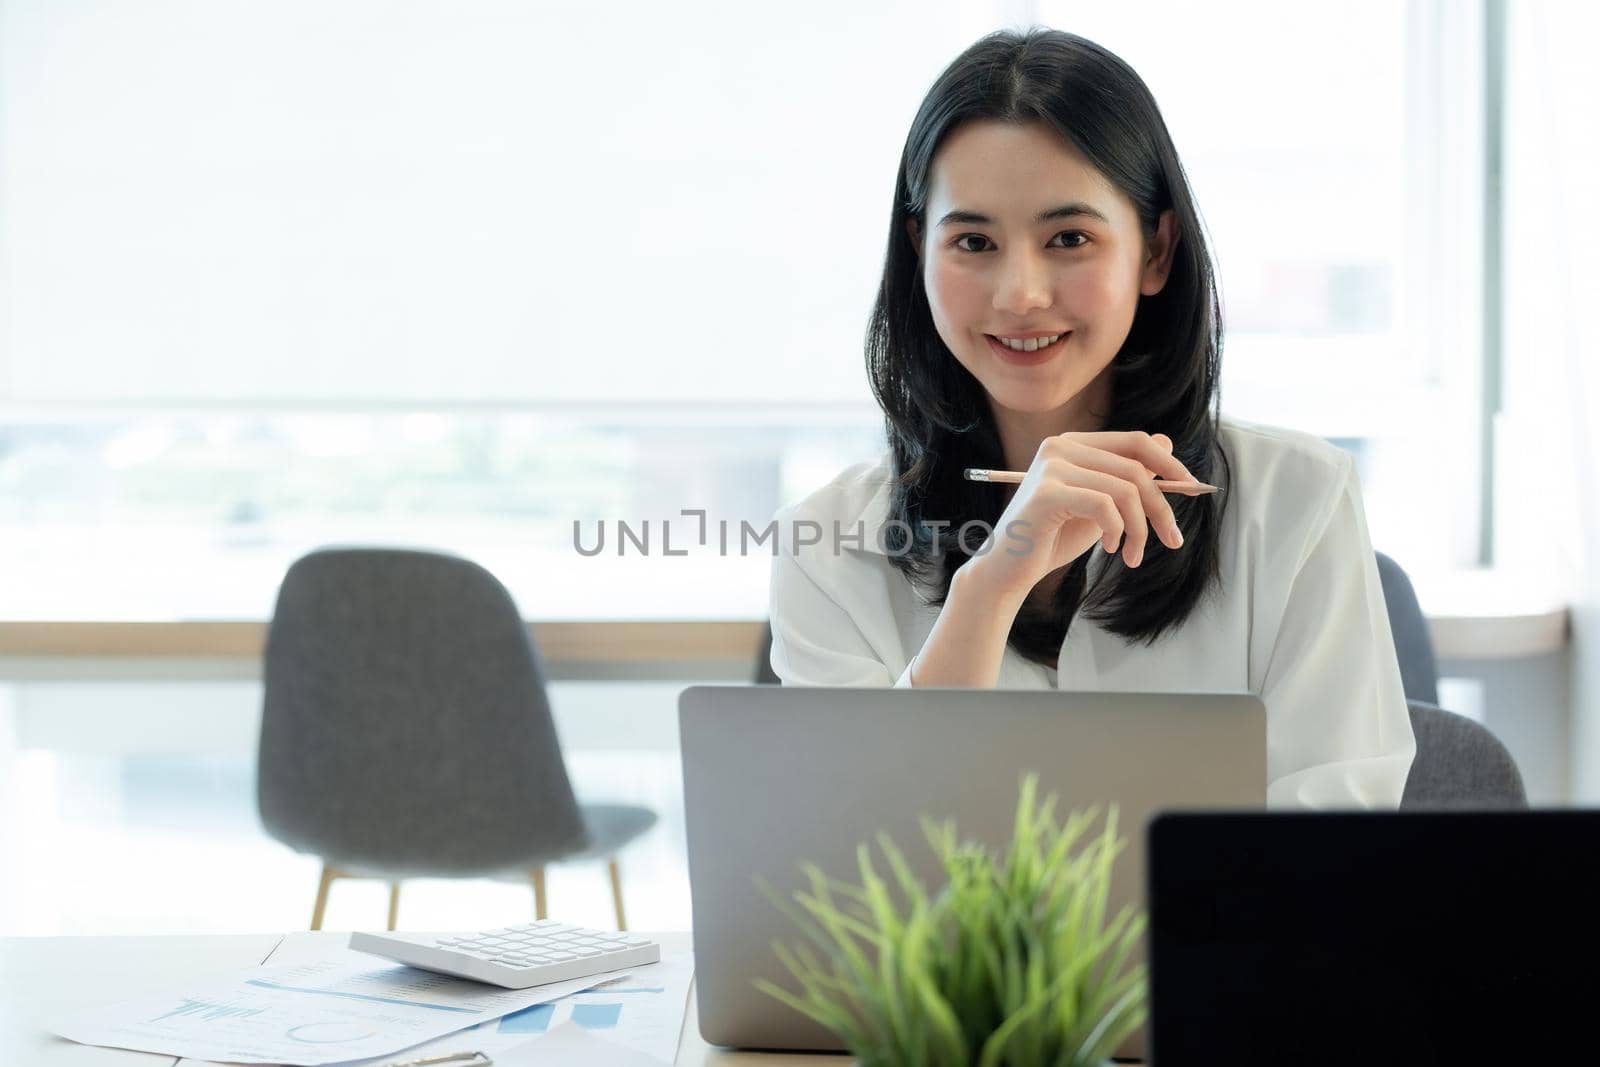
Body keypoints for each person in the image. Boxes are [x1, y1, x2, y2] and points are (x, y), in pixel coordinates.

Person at [766, 27, 1415, 808]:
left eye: (1069, 238)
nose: (1020, 293)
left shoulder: (1300, 499)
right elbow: (854, 864)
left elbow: (1336, 837)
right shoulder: (826, 545)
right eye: (973, 241)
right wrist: (990, 586)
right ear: (920, 254)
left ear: (1156, 251)